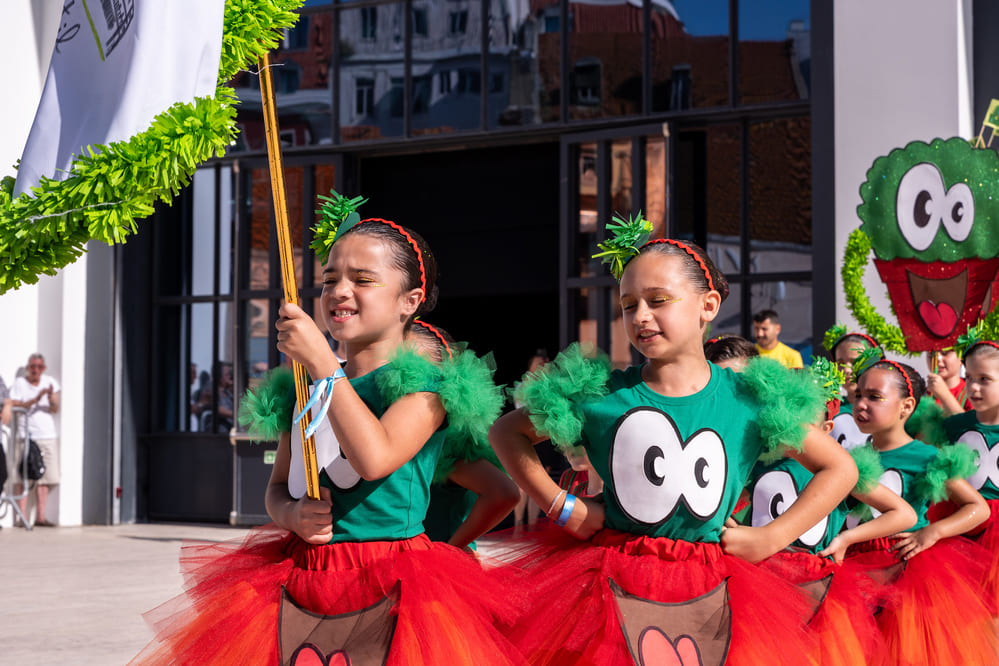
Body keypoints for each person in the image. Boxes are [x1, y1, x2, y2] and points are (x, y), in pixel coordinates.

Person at [131, 215, 526, 665]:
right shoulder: (303, 389)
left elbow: (375, 457)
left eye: (363, 279)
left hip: (392, 581)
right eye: (330, 278)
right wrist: (293, 513)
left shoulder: (425, 389)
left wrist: (324, 365)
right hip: (299, 577)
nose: (339, 290)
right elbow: (278, 488)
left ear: (409, 301)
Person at [490, 229, 858, 665]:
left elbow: (840, 469)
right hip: (610, 581)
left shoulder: (749, 400)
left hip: (715, 582)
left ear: (708, 306)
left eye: (658, 300)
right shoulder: (602, 395)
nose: (641, 316)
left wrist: (773, 537)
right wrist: (563, 507)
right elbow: (506, 433)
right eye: (629, 306)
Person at [744, 359, 916, 666]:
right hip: (759, 584)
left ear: (825, 429)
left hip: (818, 589)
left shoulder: (846, 470)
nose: (789, 427)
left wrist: (847, 538)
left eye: (801, 421)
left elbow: (903, 514)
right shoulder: (756, 464)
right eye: (782, 414)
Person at [845, 348, 997, 664]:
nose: (861, 404)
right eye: (859, 395)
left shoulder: (926, 456)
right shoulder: (846, 457)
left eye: (875, 397)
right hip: (855, 570)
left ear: (907, 407)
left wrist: (933, 532)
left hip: (905, 569)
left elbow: (977, 507)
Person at [407, 320, 520, 551]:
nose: (401, 373)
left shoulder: (448, 441)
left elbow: (504, 493)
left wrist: (452, 549)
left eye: (414, 366)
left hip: (435, 573)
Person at [940, 335, 999, 606]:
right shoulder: (954, 426)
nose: (973, 387)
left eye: (984, 379)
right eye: (970, 377)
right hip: (962, 526)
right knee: (962, 608)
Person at [8, 353, 61, 528]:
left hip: (46, 435)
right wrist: (35, 399)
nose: (35, 370)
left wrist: (51, 397)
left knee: (45, 478)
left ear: (43, 368)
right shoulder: (19, 384)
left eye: (39, 367)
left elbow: (55, 408)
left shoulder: (50, 382)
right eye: (32, 367)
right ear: (28, 367)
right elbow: (13, 405)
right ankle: (20, 518)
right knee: (22, 476)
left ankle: (40, 517)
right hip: (26, 436)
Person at [825, 327, 880, 450]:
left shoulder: (892, 408)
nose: (847, 370)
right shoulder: (826, 409)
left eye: (855, 362)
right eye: (840, 362)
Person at [926, 348, 971, 415]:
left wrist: (944, 395)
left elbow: (970, 424)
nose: (938, 358)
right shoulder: (921, 394)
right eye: (931, 353)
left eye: (945, 353)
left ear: (961, 357)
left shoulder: (971, 392)